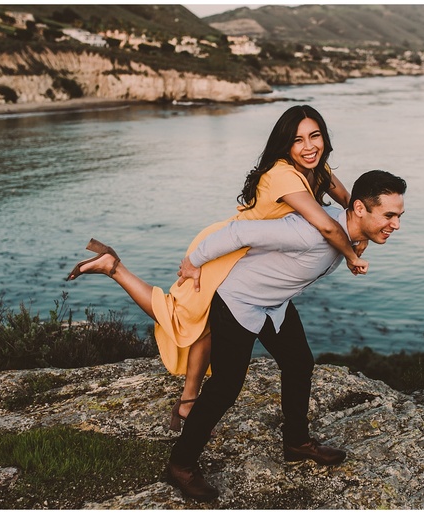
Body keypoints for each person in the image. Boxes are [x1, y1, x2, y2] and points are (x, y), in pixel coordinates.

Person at [69, 170, 407, 501]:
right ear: (359, 208)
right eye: (389, 216)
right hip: (238, 300)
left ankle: (296, 442)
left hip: (274, 304)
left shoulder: (344, 231)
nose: (396, 225)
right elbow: (239, 232)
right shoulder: (308, 232)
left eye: (399, 216)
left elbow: (331, 188)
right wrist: (193, 262)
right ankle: (181, 464)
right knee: (226, 386)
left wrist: (359, 241)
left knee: (299, 363)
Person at [66, 105, 368, 430]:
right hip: (226, 251)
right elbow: (327, 225)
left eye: (315, 136)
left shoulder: (316, 168)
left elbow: (349, 202)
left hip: (248, 252)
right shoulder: (283, 174)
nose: (309, 146)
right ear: (285, 144)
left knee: (207, 323)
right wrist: (351, 254)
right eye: (298, 140)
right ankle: (114, 267)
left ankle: (187, 402)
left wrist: (361, 229)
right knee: (181, 316)